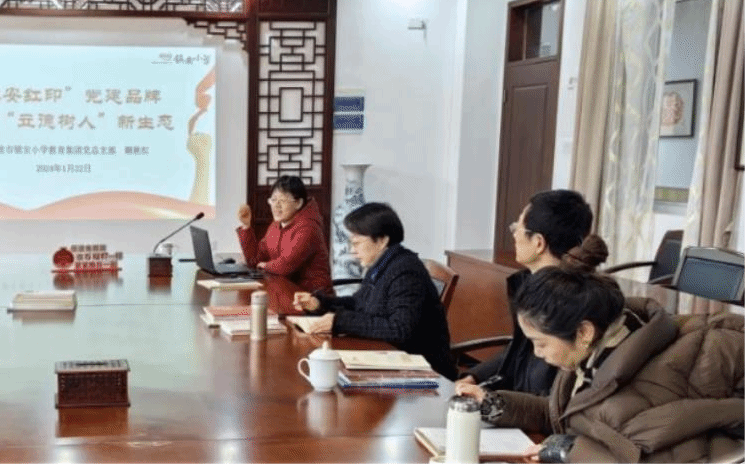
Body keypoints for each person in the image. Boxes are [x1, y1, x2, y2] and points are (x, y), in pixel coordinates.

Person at [455, 268, 745, 464]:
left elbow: (638, 455)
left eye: (540, 343)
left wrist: (565, 449)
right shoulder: (598, 353)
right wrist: (492, 403)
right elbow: (562, 414)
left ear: (583, 332)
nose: (536, 353)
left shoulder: (645, 382)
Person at [456, 189, 609, 396]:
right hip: (508, 401)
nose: (514, 234)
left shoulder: (567, 306)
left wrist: (492, 400)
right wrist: (475, 376)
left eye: (517, 228)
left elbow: (550, 400)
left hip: (528, 410)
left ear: (538, 242)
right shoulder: (530, 286)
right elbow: (519, 352)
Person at [292, 202, 458, 380]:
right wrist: (320, 304)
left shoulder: (405, 271)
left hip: (423, 372)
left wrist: (339, 321)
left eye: (357, 243)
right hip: (389, 357)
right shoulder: (383, 264)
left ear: (382, 240)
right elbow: (358, 303)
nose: (353, 250)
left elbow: (400, 329)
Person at [236, 175, 331, 293]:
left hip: (313, 296)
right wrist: (246, 226)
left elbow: (285, 266)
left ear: (298, 203)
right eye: (273, 200)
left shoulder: (309, 227)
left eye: (282, 200)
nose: (276, 205)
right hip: (286, 290)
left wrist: (265, 266)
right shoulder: (276, 226)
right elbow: (254, 260)